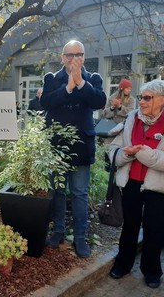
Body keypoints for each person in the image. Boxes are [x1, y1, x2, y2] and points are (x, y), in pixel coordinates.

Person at [40, 40, 106, 258]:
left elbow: (99, 101)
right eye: (69, 55)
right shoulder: (51, 78)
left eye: (78, 54)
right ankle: (58, 230)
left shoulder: (93, 78)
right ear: (62, 57)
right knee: (57, 191)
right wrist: (68, 87)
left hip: (81, 147)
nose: (73, 58)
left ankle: (80, 236)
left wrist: (80, 83)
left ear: (84, 57)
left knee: (79, 194)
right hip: (56, 146)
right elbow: (46, 103)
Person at [109, 79, 164, 289]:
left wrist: (144, 154)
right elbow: (113, 150)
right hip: (131, 181)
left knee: (154, 228)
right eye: (141, 97)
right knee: (129, 226)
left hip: (157, 186)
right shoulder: (132, 118)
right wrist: (126, 154)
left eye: (147, 98)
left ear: (161, 100)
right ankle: (123, 264)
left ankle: (151, 271)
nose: (141, 102)